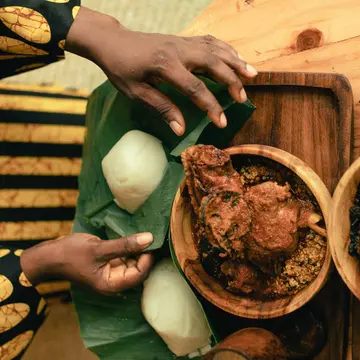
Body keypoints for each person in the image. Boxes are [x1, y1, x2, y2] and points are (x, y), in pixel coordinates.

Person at [0, 2, 257, 358]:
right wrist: (39, 264)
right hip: (15, 254)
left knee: (102, 145)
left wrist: (98, 32)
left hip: (23, 137)